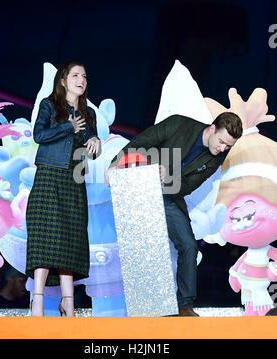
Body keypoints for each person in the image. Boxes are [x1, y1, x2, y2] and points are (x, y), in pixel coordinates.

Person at [105, 112, 242, 316]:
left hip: (169, 196)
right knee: (143, 249)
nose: (222, 148)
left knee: (189, 245)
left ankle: (184, 305)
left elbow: (186, 187)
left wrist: (167, 178)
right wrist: (115, 164)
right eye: (222, 141)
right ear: (212, 128)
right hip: (140, 188)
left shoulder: (216, 159)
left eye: (228, 146)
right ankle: (138, 307)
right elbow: (143, 140)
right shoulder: (179, 124)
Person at [25, 61, 100, 317]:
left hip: (74, 180)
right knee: (46, 237)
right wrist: (69, 126)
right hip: (49, 175)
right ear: (63, 80)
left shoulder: (90, 113)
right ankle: (37, 299)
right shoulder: (49, 105)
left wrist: (95, 141)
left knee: (70, 239)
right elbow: (39, 136)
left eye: (85, 76)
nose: (81, 80)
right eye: (76, 75)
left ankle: (68, 302)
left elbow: (94, 147)